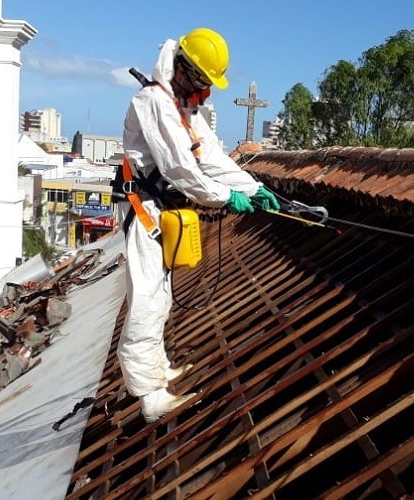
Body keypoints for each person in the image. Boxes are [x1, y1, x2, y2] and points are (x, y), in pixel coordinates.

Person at [118, 27, 280, 423]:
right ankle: (149, 394)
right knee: (146, 296)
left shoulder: (182, 106)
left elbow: (211, 157)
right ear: (185, 70)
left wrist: (253, 187)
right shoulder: (154, 101)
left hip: (162, 209)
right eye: (203, 83)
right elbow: (180, 168)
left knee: (162, 293)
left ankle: (157, 368)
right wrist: (227, 198)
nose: (205, 93)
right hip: (143, 206)